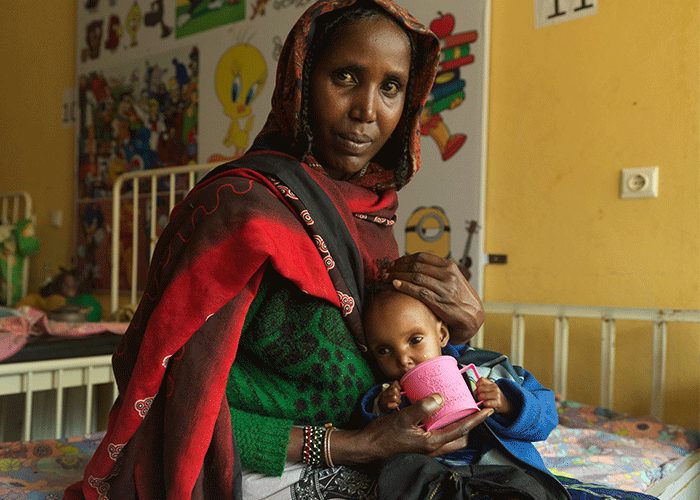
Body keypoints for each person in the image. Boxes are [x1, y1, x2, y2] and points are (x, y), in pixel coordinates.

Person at [65, 1, 487, 498]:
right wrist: (354, 445)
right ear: (302, 83)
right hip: (254, 468)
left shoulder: (374, 218)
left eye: (390, 87)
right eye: (346, 77)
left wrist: (460, 330)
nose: (368, 110)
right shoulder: (242, 213)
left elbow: (388, 365)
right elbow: (177, 411)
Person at [360, 285, 568, 498]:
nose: (403, 360)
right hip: (438, 480)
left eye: (415, 340)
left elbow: (547, 417)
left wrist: (509, 403)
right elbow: (375, 438)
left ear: (441, 334)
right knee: (397, 472)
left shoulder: (489, 368)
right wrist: (383, 407)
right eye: (384, 351)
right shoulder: (389, 392)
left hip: (501, 474)